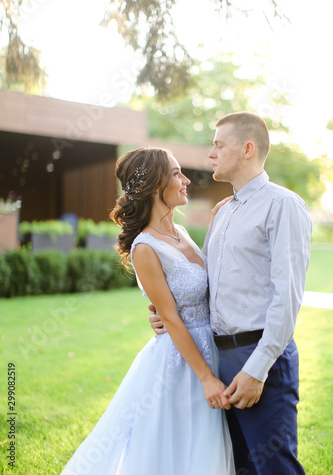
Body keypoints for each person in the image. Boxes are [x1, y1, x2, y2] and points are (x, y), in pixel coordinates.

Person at [149, 112, 312, 475]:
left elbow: (287, 301)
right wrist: (167, 311)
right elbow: (217, 286)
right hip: (219, 358)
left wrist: (257, 370)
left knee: (274, 467)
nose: (211, 153)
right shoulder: (222, 212)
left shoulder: (282, 205)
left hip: (261, 357)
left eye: (220, 145)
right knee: (237, 467)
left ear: (248, 149)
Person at [59, 147, 235, 475]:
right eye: (176, 173)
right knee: (181, 450)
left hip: (210, 347)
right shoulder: (145, 247)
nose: (185, 181)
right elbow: (169, 316)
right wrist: (206, 377)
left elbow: (202, 287)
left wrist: (220, 221)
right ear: (155, 186)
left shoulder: (180, 232)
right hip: (182, 366)